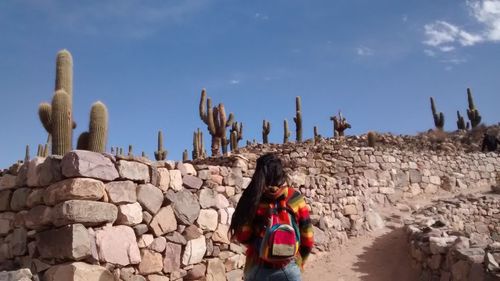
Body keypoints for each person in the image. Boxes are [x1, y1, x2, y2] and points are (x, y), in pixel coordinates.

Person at [229, 153, 314, 281]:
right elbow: (307, 236)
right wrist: (299, 262)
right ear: (280, 173)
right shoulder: (294, 197)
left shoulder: (252, 198)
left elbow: (242, 235)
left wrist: (262, 245)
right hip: (289, 269)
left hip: (258, 267)